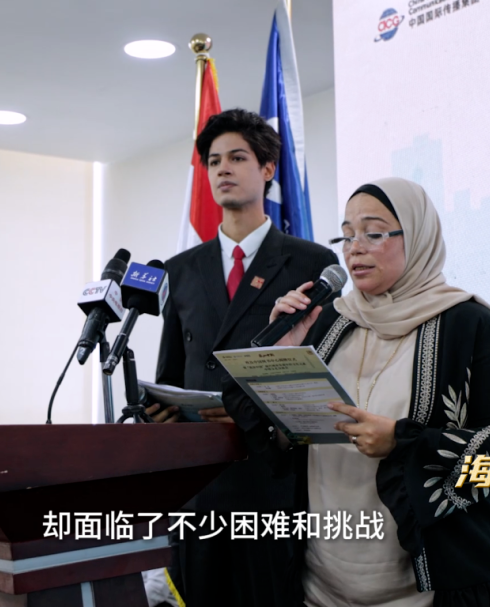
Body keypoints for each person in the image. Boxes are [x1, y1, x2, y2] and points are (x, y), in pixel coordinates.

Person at [223, 177, 490, 606]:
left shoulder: (470, 324)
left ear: (418, 236)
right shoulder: (330, 322)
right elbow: (293, 441)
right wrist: (285, 358)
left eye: (373, 233)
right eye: (346, 236)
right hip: (323, 588)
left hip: (436, 590)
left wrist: (402, 442)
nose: (354, 249)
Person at [151, 108, 341, 607]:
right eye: (214, 161)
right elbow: (171, 371)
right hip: (198, 484)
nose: (223, 170)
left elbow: (323, 374)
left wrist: (248, 410)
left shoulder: (311, 262)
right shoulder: (180, 269)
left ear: (268, 168)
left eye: (237, 158)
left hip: (272, 480)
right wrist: (159, 411)